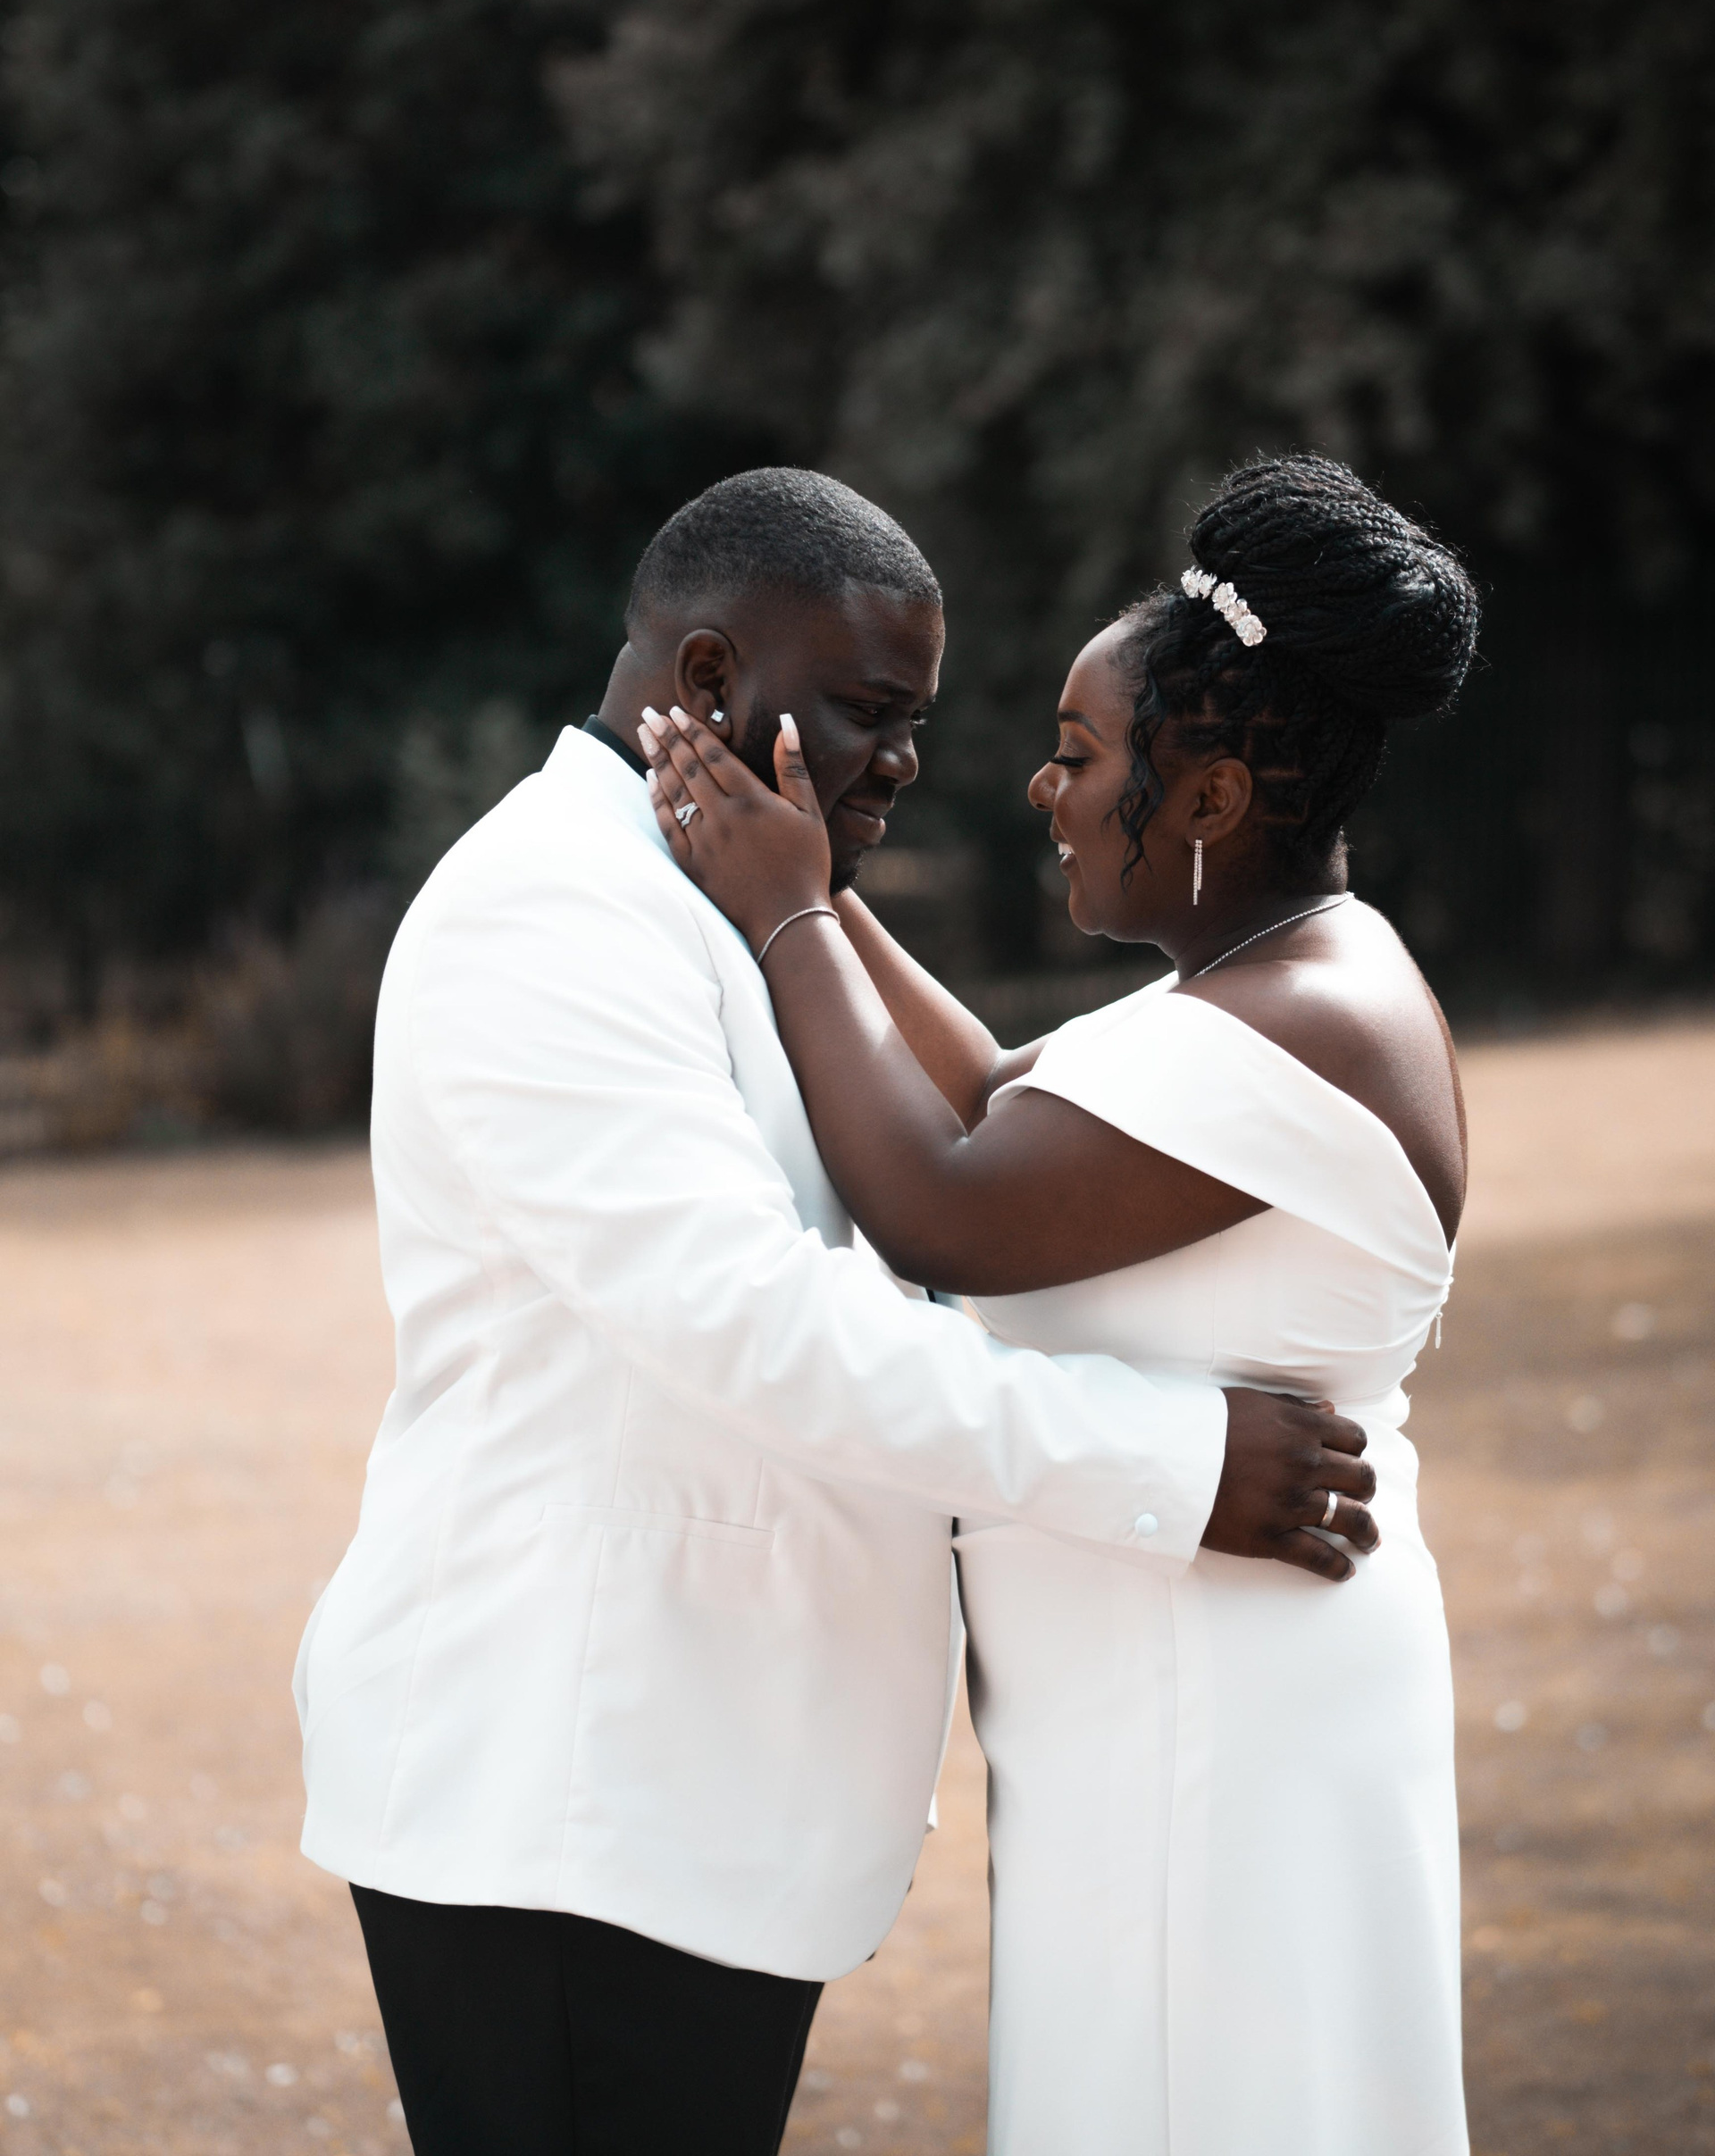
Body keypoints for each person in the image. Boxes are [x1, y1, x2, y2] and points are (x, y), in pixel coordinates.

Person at [293, 468, 1377, 2156]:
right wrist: (1168, 1462)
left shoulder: (719, 895)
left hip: (693, 1799)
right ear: (709, 680)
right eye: (873, 710)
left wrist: (808, 900)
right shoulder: (552, 910)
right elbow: (754, 1323)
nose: (906, 761)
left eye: (915, 721)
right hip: (571, 1801)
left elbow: (975, 1130)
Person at [640, 454, 1476, 2155]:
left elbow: (942, 1203)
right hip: (1169, 1701)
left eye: (1083, 756)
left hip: (1216, 1716)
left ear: (1211, 797)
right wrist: (819, 885)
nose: (1044, 787)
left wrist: (785, 911)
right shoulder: (1264, 979)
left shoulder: (1304, 1020)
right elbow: (994, 1096)